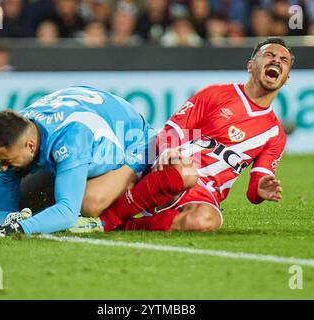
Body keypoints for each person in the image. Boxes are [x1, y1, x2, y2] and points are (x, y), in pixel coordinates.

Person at [71, 37, 293, 233]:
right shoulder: (216, 94)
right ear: (251, 65)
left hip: (204, 193)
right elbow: (172, 130)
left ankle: (123, 224)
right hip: (171, 169)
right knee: (90, 204)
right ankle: (105, 219)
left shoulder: (274, 133)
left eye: (284, 60)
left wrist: (261, 188)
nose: (276, 61)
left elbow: (254, 189)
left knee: (208, 220)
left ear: (286, 78)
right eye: (269, 55)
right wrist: (169, 152)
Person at [0, 86, 180, 238]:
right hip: (89, 132)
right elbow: (3, 209)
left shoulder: (71, 138)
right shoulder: (14, 134)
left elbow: (66, 212)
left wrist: (12, 230)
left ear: (30, 146)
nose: (2, 168)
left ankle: (126, 199)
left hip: (135, 142)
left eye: (7, 162)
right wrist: (4, 222)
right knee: (25, 202)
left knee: (89, 204)